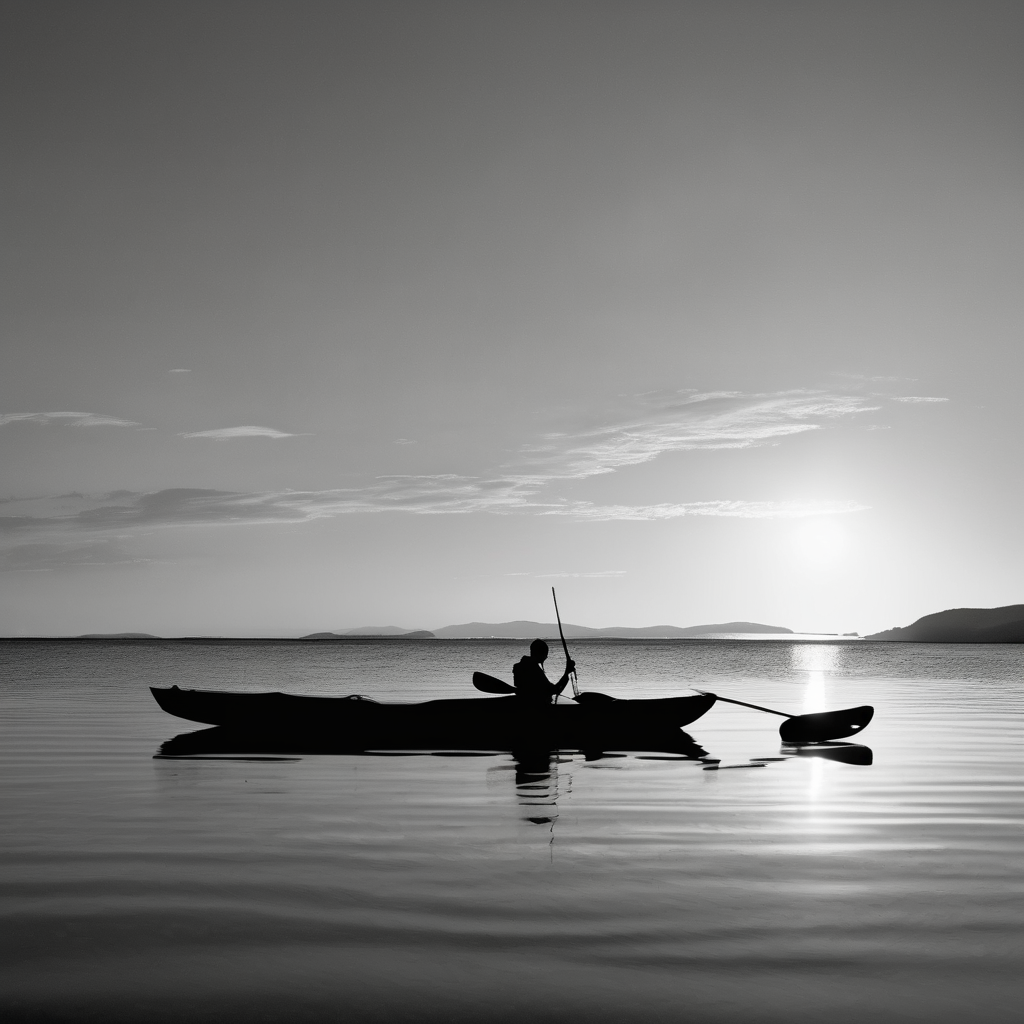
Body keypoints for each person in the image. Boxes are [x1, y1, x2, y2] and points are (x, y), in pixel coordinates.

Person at [512, 639, 575, 706]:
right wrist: (566, 673)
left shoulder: (520, 667)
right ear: (541, 654)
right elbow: (554, 690)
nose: (546, 657)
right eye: (545, 654)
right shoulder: (533, 670)